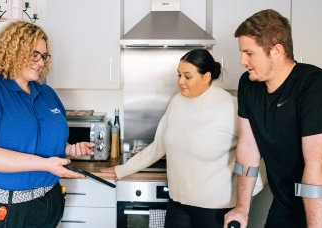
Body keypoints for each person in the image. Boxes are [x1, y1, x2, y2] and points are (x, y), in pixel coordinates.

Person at [223, 9, 322, 228]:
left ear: (277, 51)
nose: (242, 61)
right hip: (286, 207)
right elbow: (248, 148)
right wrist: (242, 208)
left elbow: (317, 168)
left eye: (249, 53)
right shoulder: (248, 85)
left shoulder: (316, 87)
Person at [101, 49, 265, 228]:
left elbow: (257, 151)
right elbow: (158, 147)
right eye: (179, 75)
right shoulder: (177, 102)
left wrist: (249, 194)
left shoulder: (231, 106)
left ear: (206, 76)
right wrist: (122, 170)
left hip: (216, 208)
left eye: (187, 76)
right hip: (178, 203)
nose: (180, 81)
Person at [0, 21, 94, 228]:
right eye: (34, 54)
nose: (41, 62)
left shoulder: (46, 93)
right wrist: (46, 165)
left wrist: (70, 149)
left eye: (44, 56)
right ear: (13, 51)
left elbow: (44, 143)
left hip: (46, 203)